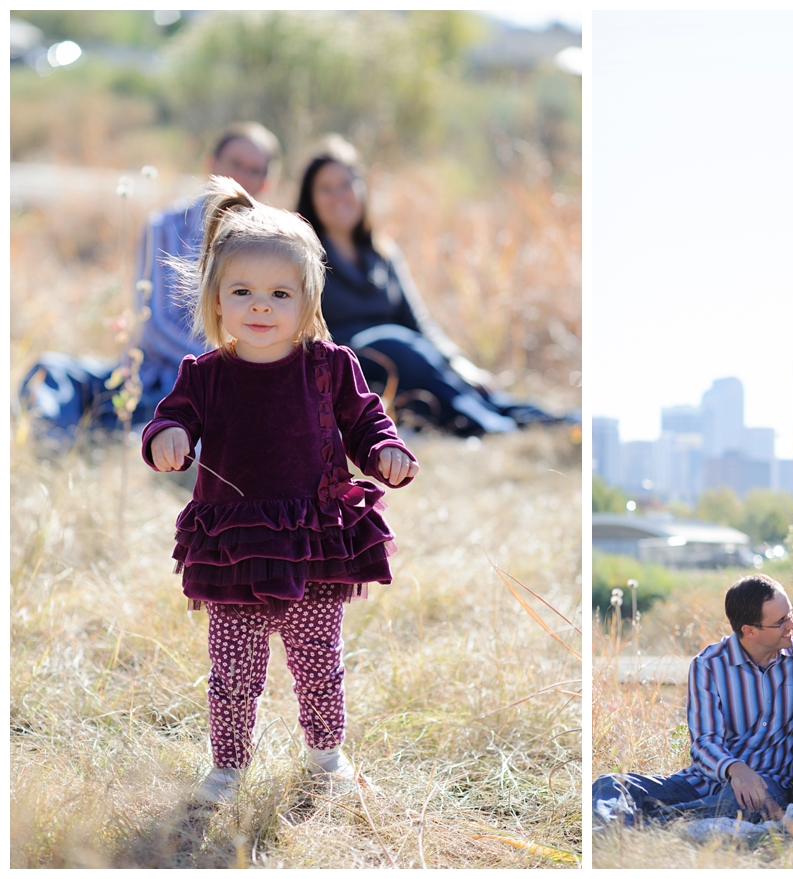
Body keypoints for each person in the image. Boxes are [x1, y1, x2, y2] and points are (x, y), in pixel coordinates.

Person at [141, 176, 419, 805]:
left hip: (314, 539)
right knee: (233, 671)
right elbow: (172, 416)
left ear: (308, 301)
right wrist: (167, 436)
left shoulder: (329, 366)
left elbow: (366, 420)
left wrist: (386, 452)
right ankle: (229, 766)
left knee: (317, 660)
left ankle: (326, 754)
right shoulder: (206, 374)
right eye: (242, 292)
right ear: (216, 300)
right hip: (234, 543)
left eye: (278, 294)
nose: (259, 306)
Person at [294, 136, 576, 436]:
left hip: (409, 357)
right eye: (326, 188)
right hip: (352, 367)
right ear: (311, 197)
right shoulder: (302, 256)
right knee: (397, 345)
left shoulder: (383, 253)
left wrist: (459, 363)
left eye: (346, 185)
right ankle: (490, 427)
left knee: (451, 374)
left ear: (362, 189)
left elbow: (419, 323)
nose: (339, 196)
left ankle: (540, 418)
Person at [20, 122, 282, 437]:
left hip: (236, 386)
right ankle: (59, 440)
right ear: (210, 166)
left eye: (254, 170)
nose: (242, 176)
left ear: (265, 184)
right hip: (159, 376)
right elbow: (154, 324)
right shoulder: (166, 227)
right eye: (235, 164)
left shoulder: (275, 245)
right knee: (51, 371)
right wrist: (214, 366)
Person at [592, 574, 793, 827]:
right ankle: (629, 826)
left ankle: (634, 827)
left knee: (740, 803)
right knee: (609, 784)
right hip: (704, 781)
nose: (792, 625)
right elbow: (704, 741)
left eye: (790, 613)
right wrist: (736, 769)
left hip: (767, 784)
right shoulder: (708, 665)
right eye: (781, 621)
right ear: (749, 630)